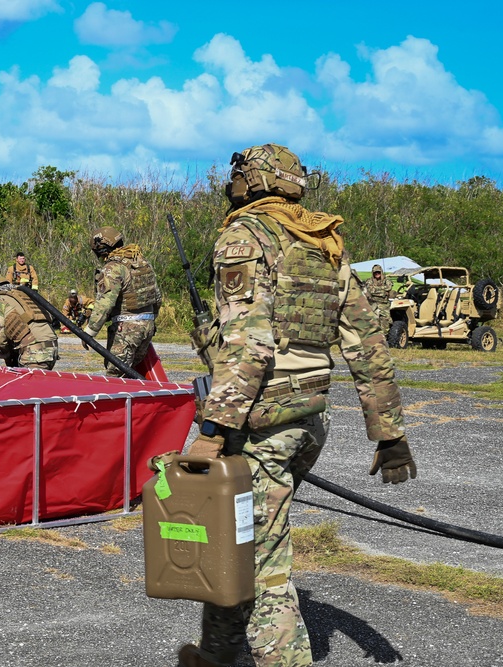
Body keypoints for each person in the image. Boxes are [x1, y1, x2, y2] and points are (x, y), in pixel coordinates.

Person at [176, 144, 417, 667]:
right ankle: (217, 657)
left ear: (253, 180)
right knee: (234, 538)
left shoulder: (245, 237)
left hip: (260, 423)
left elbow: (250, 340)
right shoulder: (320, 241)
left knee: (262, 564)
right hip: (309, 418)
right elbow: (365, 340)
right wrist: (390, 432)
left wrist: (214, 427)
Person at [81, 227, 162, 377]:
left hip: (126, 329)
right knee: (132, 373)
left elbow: (105, 304)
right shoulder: (142, 262)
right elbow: (156, 296)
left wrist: (90, 332)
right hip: (147, 326)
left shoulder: (113, 268)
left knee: (115, 376)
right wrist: (151, 322)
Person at [0, 274, 58, 370]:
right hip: (52, 348)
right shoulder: (23, 296)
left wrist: (8, 358)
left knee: (27, 384)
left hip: (34, 352)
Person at [364, 264, 394, 336]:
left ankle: (384, 338)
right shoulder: (369, 281)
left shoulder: (386, 280)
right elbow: (370, 290)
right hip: (373, 304)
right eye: (375, 273)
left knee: (385, 322)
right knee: (373, 322)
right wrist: (383, 291)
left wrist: (376, 290)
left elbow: (389, 288)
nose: (377, 274)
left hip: (384, 305)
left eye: (378, 272)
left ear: (381, 272)